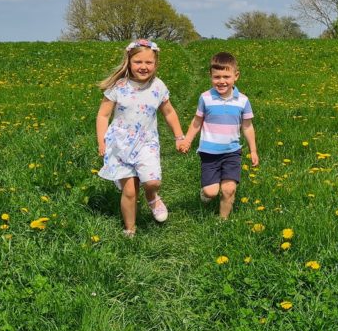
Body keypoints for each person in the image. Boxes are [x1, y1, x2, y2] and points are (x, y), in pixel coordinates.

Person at [96, 39, 186, 236]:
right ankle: (130, 229)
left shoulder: (158, 86)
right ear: (129, 61)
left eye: (148, 62)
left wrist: (179, 137)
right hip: (120, 145)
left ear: (156, 64)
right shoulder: (118, 86)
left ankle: (152, 197)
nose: (143, 67)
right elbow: (103, 115)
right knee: (129, 191)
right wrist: (101, 141)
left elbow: (169, 112)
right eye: (138, 62)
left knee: (152, 181)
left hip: (147, 143)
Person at [180, 52, 258, 220]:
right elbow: (197, 121)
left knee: (229, 189)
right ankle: (206, 192)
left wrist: (253, 150)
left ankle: (222, 221)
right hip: (209, 152)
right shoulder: (205, 98)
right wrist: (187, 140)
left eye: (226, 76)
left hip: (232, 151)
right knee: (211, 191)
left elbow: (248, 126)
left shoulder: (243, 101)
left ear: (236, 76)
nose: (221, 81)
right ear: (210, 76)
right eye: (217, 77)